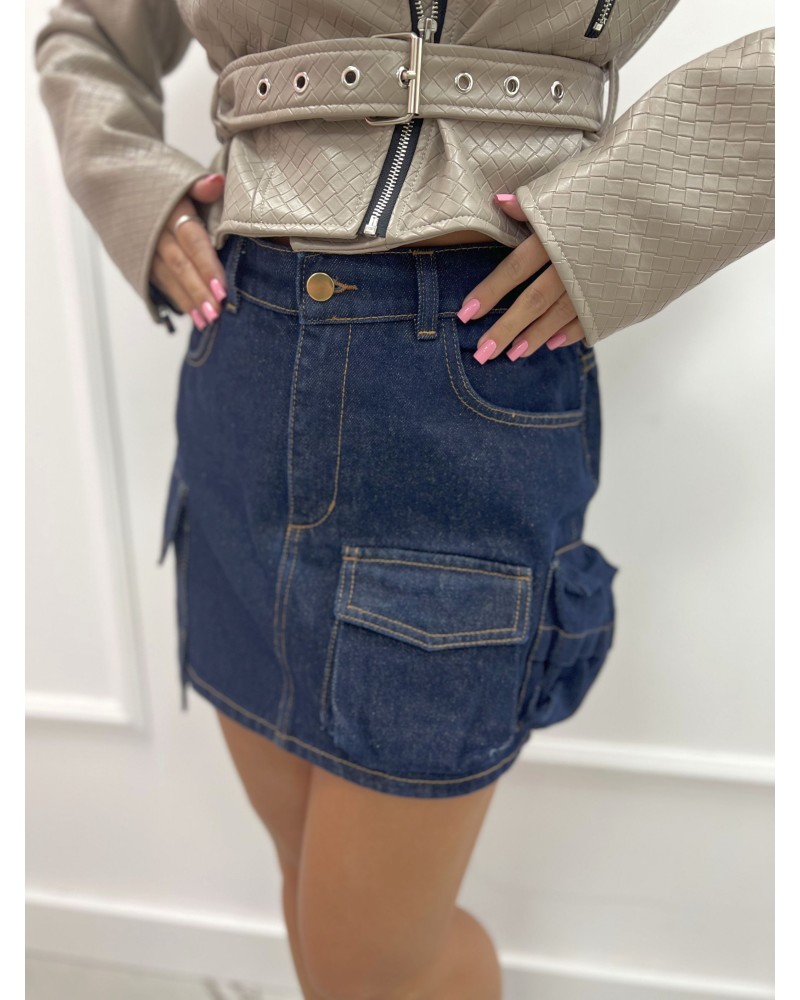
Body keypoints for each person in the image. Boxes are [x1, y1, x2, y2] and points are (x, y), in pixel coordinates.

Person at [33, 2, 774, 998]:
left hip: (463, 382)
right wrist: (134, 189)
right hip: (239, 362)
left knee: (372, 960)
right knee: (311, 893)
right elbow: (85, 30)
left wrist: (630, 208)